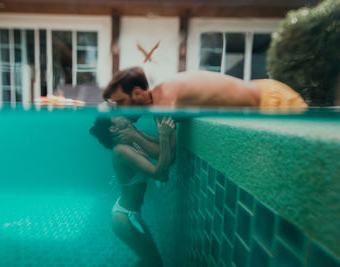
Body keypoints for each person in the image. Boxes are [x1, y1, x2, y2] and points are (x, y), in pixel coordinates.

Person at [89, 116, 175, 267]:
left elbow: (159, 151)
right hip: (125, 217)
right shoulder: (121, 150)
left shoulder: (130, 142)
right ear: (113, 128)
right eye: (117, 116)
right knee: (154, 262)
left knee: (150, 261)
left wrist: (160, 135)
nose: (123, 114)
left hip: (130, 213)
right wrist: (163, 135)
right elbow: (160, 174)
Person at [102, 66, 308, 108]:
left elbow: (167, 156)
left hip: (273, 101)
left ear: (137, 92)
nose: (119, 108)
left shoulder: (164, 100)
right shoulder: (163, 94)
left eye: (120, 102)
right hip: (265, 92)